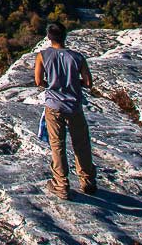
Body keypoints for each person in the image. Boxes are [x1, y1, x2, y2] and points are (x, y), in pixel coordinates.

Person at [34, 22, 97, 199]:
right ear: (65, 36)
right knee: (81, 143)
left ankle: (61, 185)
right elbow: (88, 83)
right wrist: (73, 83)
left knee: (57, 144)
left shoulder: (43, 55)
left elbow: (38, 81)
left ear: (48, 37)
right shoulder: (77, 57)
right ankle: (88, 182)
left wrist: (52, 86)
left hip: (54, 106)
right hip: (74, 105)